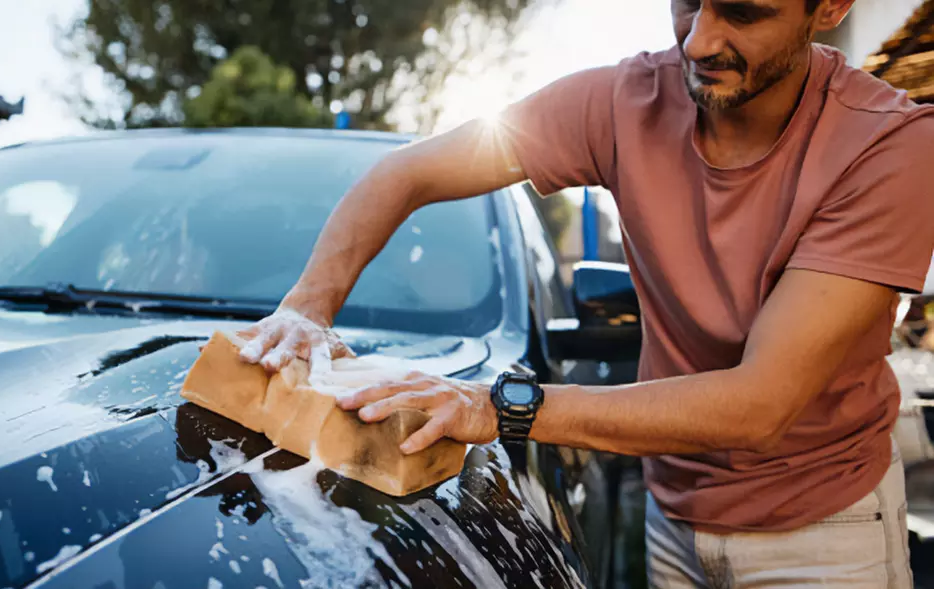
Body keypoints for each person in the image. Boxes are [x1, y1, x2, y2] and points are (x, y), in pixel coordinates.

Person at [238, 0, 934, 586]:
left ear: (833, 6)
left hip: (826, 531)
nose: (698, 40)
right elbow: (407, 173)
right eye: (688, 0)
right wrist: (307, 303)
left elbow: (761, 404)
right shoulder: (622, 103)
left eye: (744, 12)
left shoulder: (887, 147)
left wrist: (500, 408)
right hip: (675, 517)